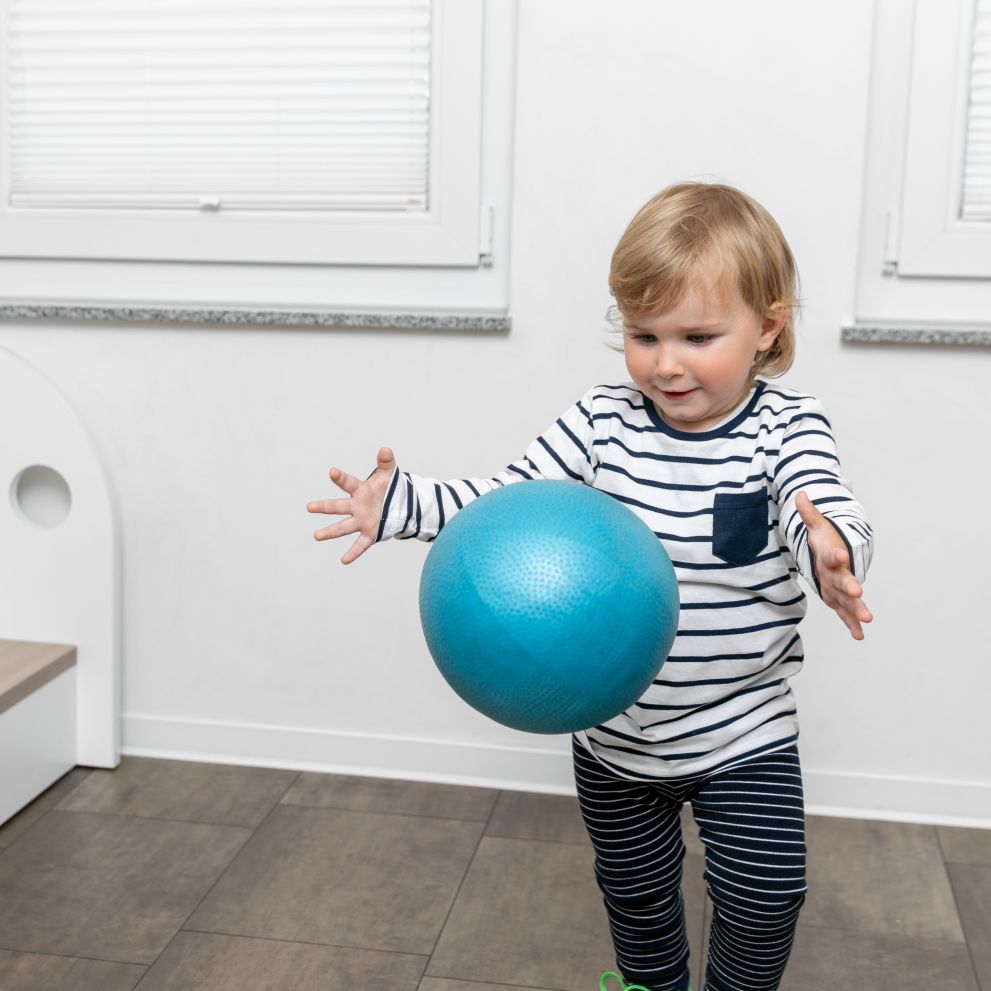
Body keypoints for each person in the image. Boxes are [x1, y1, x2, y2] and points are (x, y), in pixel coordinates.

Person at [307, 182, 874, 991]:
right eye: (643, 335)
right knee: (637, 901)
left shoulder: (785, 427)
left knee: (766, 897)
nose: (665, 362)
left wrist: (831, 547)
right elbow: (506, 505)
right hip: (612, 735)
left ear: (767, 328)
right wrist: (399, 504)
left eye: (697, 335)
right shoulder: (601, 420)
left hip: (740, 728)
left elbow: (815, 499)